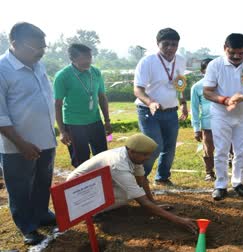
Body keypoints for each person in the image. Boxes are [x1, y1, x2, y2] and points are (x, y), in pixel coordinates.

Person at [66, 133, 197, 233]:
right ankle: (92, 213)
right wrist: (179, 220)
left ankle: (101, 206)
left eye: (149, 155)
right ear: (132, 151)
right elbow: (143, 202)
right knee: (127, 195)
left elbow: (142, 180)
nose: (148, 158)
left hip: (93, 185)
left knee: (131, 190)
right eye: (145, 155)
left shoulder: (133, 157)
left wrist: (154, 203)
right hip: (77, 193)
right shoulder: (118, 164)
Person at [0, 22, 57, 245]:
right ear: (15, 44)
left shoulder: (37, 64)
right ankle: (27, 226)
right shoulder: (3, 69)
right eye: (37, 48)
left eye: (44, 47)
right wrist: (21, 143)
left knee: (43, 182)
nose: (42, 53)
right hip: (17, 146)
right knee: (20, 187)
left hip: (45, 140)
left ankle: (42, 213)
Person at [203, 33, 243, 201]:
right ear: (225, 49)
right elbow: (207, 91)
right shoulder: (215, 65)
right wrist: (225, 100)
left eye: (241, 53)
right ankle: (220, 185)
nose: (237, 56)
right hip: (221, 115)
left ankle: (238, 183)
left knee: (242, 151)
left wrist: (242, 98)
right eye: (232, 53)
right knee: (222, 150)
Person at [133, 28, 188, 186]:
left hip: (171, 111)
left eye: (174, 44)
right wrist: (150, 102)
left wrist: (183, 103)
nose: (170, 48)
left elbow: (180, 83)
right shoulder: (147, 61)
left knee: (169, 148)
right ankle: (139, 179)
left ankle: (162, 178)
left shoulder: (181, 60)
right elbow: (138, 89)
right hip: (148, 112)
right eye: (166, 44)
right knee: (153, 147)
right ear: (158, 44)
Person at [54, 43, 112, 167]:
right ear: (73, 59)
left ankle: (103, 184)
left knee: (102, 158)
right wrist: (62, 131)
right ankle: (83, 185)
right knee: (81, 161)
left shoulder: (95, 72)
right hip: (74, 124)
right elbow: (58, 104)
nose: (88, 61)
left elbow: (102, 97)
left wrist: (107, 121)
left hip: (95, 121)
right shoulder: (63, 76)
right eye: (84, 58)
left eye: (90, 57)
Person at [191, 58, 215, 181]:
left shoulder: (223, 84)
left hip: (225, 122)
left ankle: (234, 171)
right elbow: (194, 109)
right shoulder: (197, 87)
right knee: (208, 148)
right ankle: (209, 172)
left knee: (231, 147)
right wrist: (196, 128)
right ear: (202, 71)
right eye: (208, 70)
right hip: (207, 124)